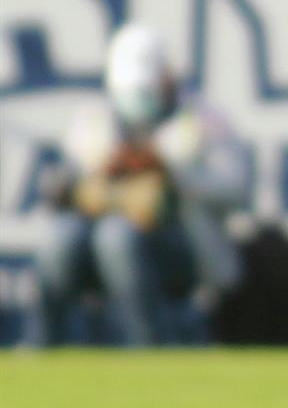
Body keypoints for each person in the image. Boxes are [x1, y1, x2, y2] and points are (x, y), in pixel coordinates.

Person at [35, 24, 245, 347]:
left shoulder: (203, 120)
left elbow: (237, 186)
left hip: (184, 245)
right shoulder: (94, 121)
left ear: (166, 78)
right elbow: (59, 187)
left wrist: (172, 172)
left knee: (117, 237)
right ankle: (44, 346)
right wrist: (86, 179)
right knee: (60, 239)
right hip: (93, 245)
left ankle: (145, 345)